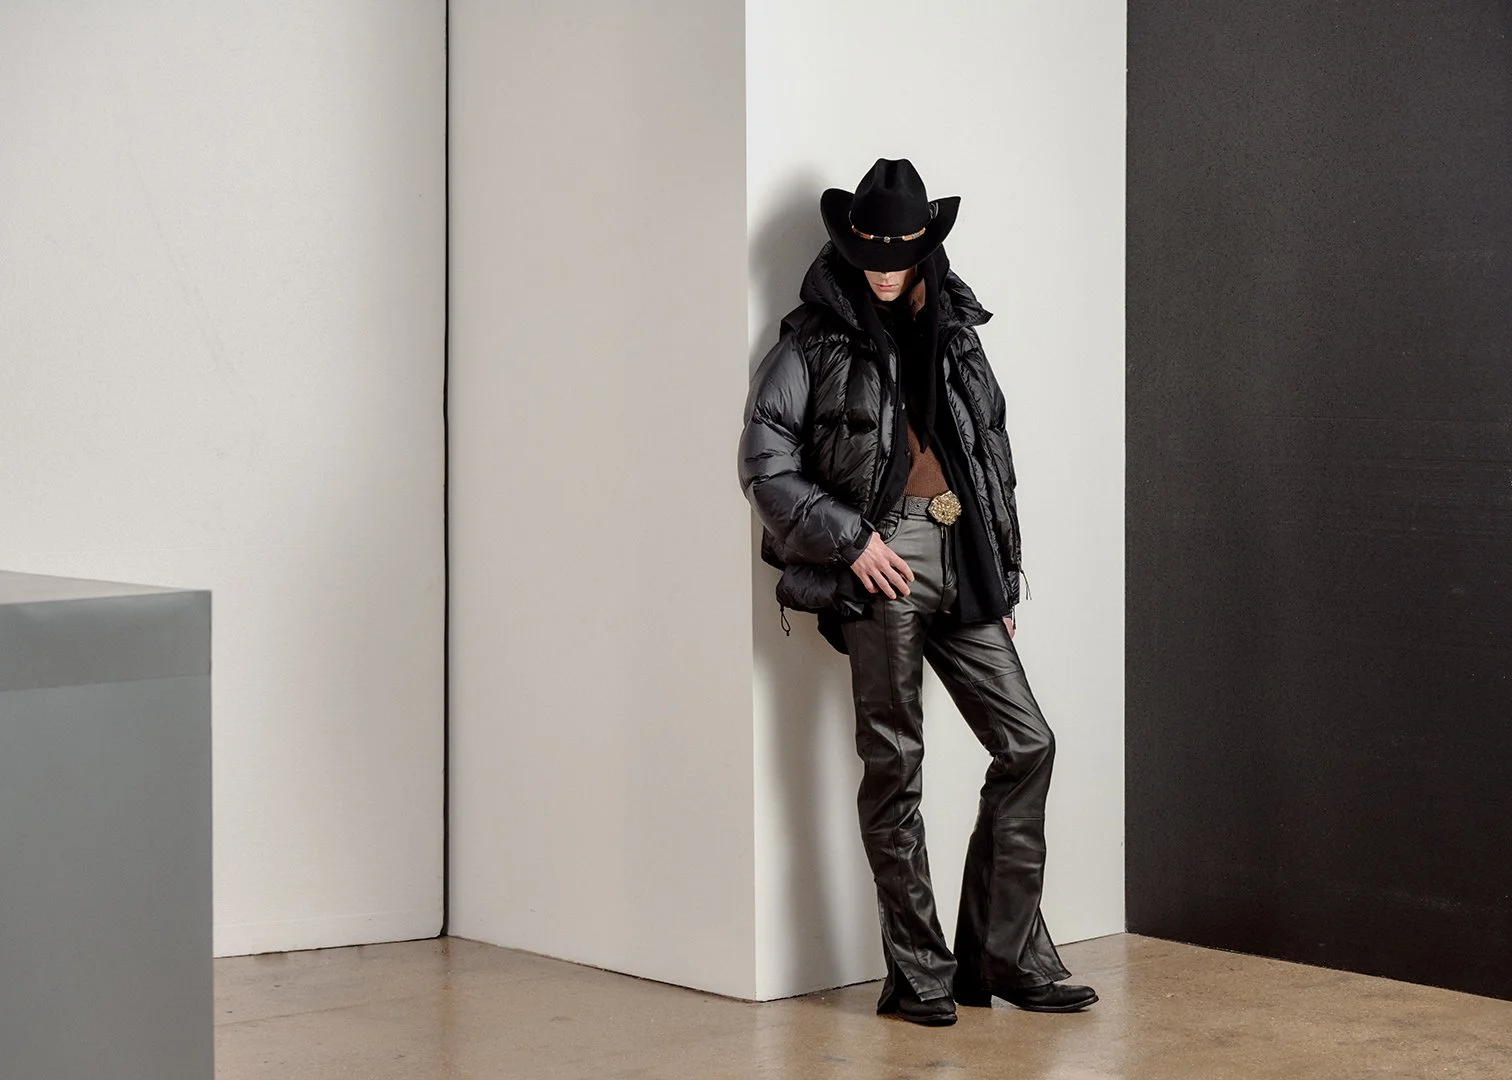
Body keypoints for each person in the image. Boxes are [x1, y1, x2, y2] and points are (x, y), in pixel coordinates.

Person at [738, 159, 1096, 1026]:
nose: (884, 268)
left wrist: (998, 572)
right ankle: (919, 975)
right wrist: (852, 540)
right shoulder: (811, 342)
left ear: (923, 245)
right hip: (882, 557)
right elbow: (763, 465)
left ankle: (1004, 954)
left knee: (1029, 744)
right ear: (849, 246)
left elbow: (990, 457)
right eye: (870, 252)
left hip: (961, 552)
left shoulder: (959, 333)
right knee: (896, 766)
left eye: (898, 252)